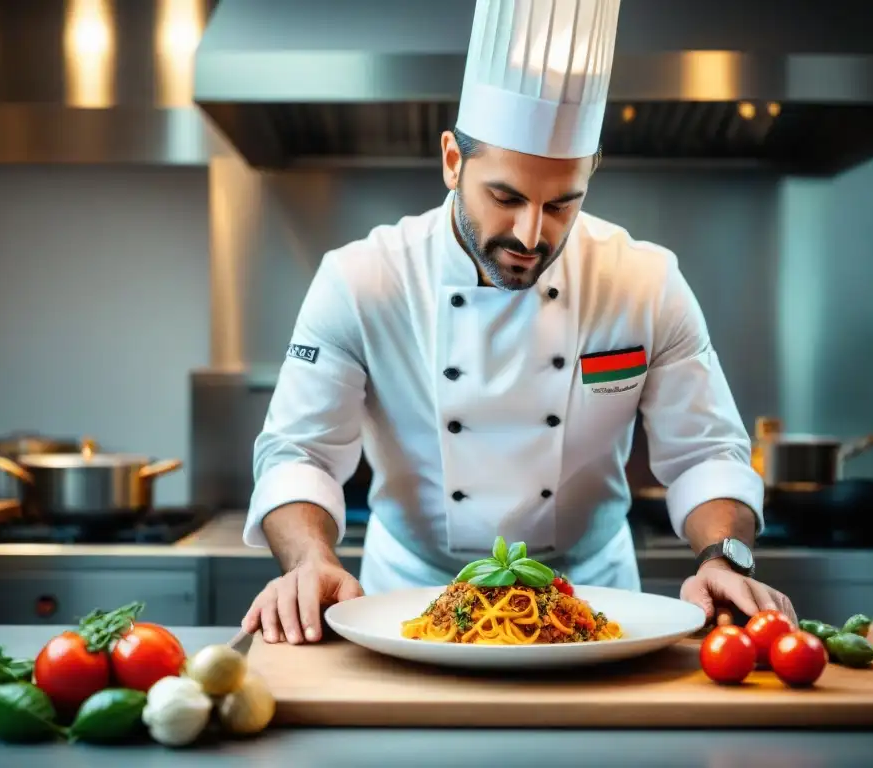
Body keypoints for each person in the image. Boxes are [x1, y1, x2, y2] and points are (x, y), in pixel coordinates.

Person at [241, 0, 796, 645]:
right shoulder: (362, 278)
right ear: (453, 161)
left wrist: (723, 556)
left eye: (563, 204)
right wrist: (311, 562)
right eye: (505, 197)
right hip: (408, 605)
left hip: (595, 605)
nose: (531, 235)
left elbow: (705, 454)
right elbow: (299, 453)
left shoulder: (646, 281)